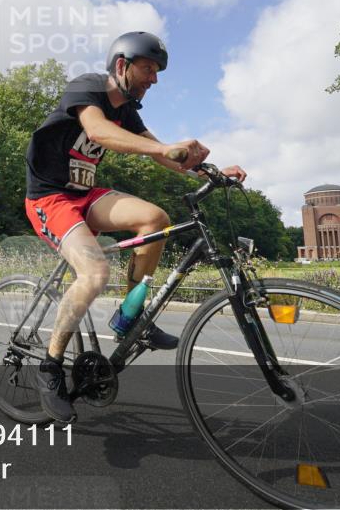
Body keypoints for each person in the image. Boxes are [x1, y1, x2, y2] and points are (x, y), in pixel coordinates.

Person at [23, 31, 247, 423]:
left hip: (87, 196)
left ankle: (130, 321)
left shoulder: (127, 111)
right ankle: (50, 368)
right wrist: (163, 148)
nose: (154, 79)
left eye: (158, 71)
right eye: (149, 69)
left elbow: (166, 155)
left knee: (155, 219)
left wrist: (210, 171)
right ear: (122, 65)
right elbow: (97, 132)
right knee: (94, 272)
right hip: (50, 198)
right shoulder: (88, 87)